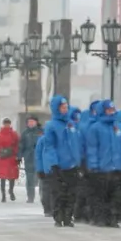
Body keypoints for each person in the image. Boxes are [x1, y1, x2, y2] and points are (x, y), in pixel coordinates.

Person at [37, 95, 81, 227]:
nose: (65, 109)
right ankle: (58, 216)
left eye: (66, 107)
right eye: (62, 107)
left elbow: (75, 144)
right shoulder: (51, 126)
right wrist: (53, 164)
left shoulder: (71, 124)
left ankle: (68, 216)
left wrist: (77, 161)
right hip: (58, 166)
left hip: (71, 165)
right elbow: (50, 146)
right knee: (59, 193)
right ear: (56, 109)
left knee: (71, 193)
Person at [0, 118, 20, 202]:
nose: (7, 125)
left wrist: (15, 151)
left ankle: (11, 191)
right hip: (3, 158)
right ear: (3, 124)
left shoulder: (14, 134)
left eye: (8, 123)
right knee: (3, 177)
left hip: (11, 158)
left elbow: (18, 144)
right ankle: (3, 195)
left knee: (12, 177)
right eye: (5, 123)